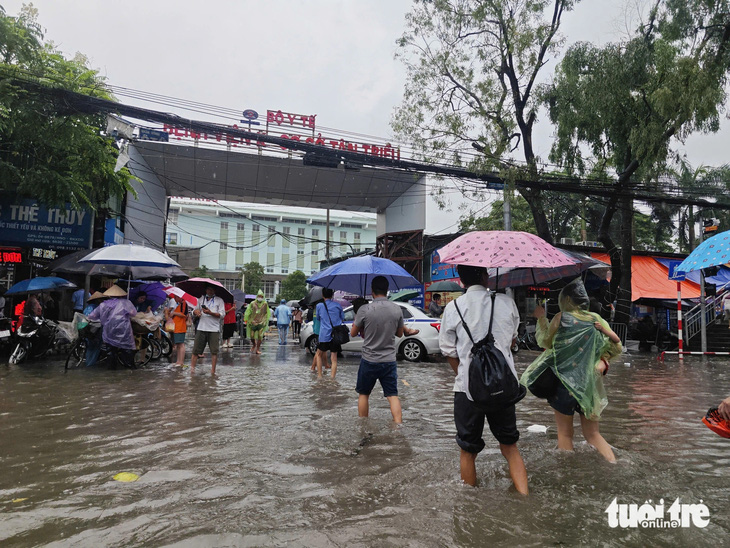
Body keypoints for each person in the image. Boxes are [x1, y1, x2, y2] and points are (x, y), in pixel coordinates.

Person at [439, 264, 528, 493]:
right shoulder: (506, 302)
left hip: (467, 390)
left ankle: (469, 507)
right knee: (510, 447)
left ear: (461, 279)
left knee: (468, 451)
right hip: (504, 387)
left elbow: (448, 351)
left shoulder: (453, 308)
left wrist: (465, 375)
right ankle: (525, 498)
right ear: (484, 275)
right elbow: (512, 341)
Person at [519, 278, 622, 463]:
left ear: (566, 300)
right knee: (594, 434)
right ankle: (614, 464)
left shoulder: (561, 317)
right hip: (588, 385)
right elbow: (616, 347)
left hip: (563, 384)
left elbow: (545, 342)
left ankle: (567, 472)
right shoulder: (595, 319)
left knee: (565, 435)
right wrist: (602, 360)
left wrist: (541, 317)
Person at [351, 276, 419, 424]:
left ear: (372, 290)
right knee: (392, 395)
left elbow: (352, 333)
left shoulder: (364, 309)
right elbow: (400, 333)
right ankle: (398, 425)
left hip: (369, 359)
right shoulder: (396, 309)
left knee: (363, 394)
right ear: (387, 290)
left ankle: (363, 427)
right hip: (389, 360)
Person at [88, 284, 138, 367]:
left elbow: (92, 316)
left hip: (109, 329)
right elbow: (133, 313)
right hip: (124, 329)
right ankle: (130, 367)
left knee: (110, 350)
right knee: (126, 349)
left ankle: (112, 368)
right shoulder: (126, 302)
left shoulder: (104, 304)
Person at [190, 285, 225, 374]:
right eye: (208, 289)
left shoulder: (219, 300)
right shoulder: (201, 299)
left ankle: (213, 371)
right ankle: (192, 370)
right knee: (195, 350)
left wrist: (211, 313)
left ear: (215, 290)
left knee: (214, 351)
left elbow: (222, 315)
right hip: (201, 328)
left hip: (214, 329)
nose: (210, 291)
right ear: (205, 290)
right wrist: (196, 312)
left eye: (212, 290)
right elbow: (194, 310)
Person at [315, 288, 344, 379]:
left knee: (319, 354)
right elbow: (342, 318)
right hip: (335, 335)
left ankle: (319, 376)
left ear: (322, 295)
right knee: (334, 358)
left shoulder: (319, 306)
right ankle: (332, 379)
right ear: (332, 295)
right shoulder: (338, 305)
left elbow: (318, 318)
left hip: (324, 334)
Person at [165, 294, 189, 366]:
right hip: (177, 327)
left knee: (181, 344)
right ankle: (178, 361)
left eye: (176, 297)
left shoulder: (183, 303)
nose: (175, 299)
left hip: (180, 327)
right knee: (178, 344)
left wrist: (174, 313)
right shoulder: (179, 305)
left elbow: (184, 314)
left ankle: (181, 361)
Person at [245, 290, 270, 354]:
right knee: (252, 336)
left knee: (260, 336)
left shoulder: (265, 304)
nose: (260, 298)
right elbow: (248, 311)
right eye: (259, 296)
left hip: (261, 322)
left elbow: (267, 313)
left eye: (261, 296)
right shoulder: (252, 303)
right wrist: (247, 319)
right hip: (253, 322)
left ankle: (257, 349)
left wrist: (265, 321)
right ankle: (254, 345)